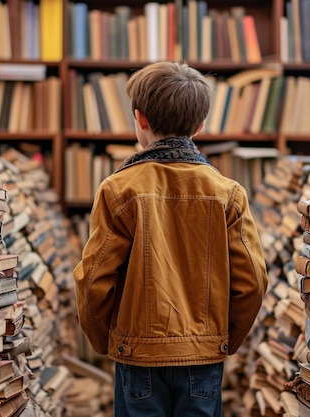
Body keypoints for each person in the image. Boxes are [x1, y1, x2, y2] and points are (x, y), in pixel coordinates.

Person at [73, 61, 268, 417]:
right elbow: (253, 282)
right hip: (203, 357)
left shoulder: (118, 189)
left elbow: (93, 281)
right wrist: (221, 341)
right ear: (200, 125)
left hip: (139, 356)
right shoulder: (229, 193)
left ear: (140, 119)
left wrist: (106, 340)